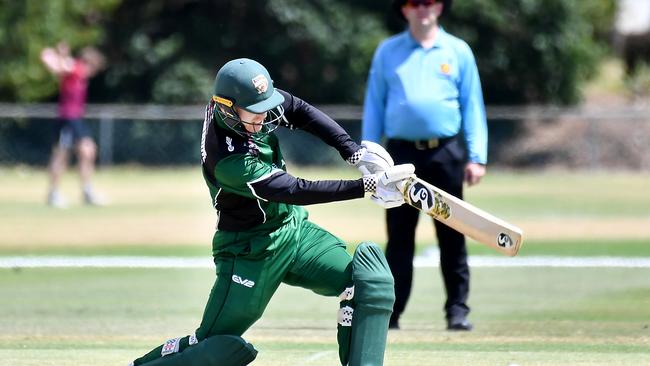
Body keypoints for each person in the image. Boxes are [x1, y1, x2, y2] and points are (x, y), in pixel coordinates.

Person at [129, 58, 416, 366]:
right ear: (226, 108)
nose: (265, 116)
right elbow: (294, 189)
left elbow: (300, 110)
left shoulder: (247, 103)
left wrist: (352, 150)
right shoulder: (229, 160)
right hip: (250, 249)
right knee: (215, 345)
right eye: (256, 111)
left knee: (368, 283)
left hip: (293, 230)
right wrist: (366, 186)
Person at [361, 0, 488, 331]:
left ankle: (457, 310)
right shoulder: (388, 51)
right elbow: (374, 104)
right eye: (414, 3)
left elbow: (472, 105)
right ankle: (392, 312)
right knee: (399, 237)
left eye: (428, 2)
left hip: (445, 153)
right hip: (400, 155)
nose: (422, 9)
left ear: (440, 7)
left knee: (452, 234)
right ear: (404, 9)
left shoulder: (457, 51)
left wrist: (477, 156)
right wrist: (365, 155)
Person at [40, 42, 106, 208]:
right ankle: (53, 194)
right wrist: (56, 54)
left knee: (88, 151)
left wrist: (61, 56)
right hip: (67, 119)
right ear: (89, 63)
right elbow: (54, 64)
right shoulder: (76, 68)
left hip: (76, 118)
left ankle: (87, 191)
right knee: (61, 156)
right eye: (94, 67)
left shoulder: (79, 72)